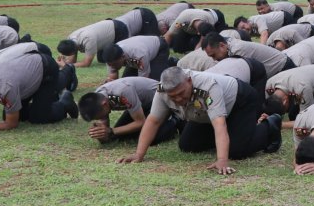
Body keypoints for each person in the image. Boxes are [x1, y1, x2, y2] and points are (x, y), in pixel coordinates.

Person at [117, 67, 282, 174]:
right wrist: (139, 154)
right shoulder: (162, 91)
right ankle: (230, 138)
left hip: (240, 100)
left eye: (181, 93)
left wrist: (222, 160)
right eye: (173, 97)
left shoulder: (208, 87)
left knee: (237, 151)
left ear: (189, 81)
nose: (179, 99)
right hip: (205, 113)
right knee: (187, 145)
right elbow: (153, 121)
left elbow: (219, 125)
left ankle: (270, 126)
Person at [0, 51, 78, 132]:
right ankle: (45, 101)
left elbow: (11, 124)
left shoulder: (5, 89)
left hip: (46, 68)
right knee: (17, 115)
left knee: (39, 118)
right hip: (23, 77)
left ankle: (65, 99)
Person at [78, 77, 180, 146]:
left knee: (150, 139)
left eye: (99, 117)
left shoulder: (123, 91)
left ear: (104, 104)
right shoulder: (98, 98)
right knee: (119, 136)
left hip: (160, 100)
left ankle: (175, 120)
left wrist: (111, 131)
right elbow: (108, 138)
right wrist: (101, 134)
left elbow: (140, 122)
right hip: (140, 106)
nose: (100, 119)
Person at [101, 35, 172, 81]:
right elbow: (113, 76)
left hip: (159, 50)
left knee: (155, 81)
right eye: (110, 65)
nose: (113, 67)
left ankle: (172, 63)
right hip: (135, 58)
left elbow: (143, 81)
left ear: (123, 57)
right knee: (126, 81)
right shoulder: (110, 57)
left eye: (114, 64)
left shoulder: (139, 55)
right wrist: (110, 82)